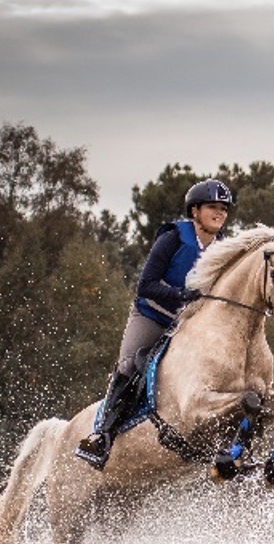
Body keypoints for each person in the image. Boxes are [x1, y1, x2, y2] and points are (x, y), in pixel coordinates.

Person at [75, 178, 234, 470]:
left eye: (224, 209)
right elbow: (146, 284)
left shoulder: (224, 247)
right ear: (195, 211)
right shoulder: (174, 237)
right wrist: (181, 295)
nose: (220, 213)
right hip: (154, 315)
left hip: (191, 325)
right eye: (213, 207)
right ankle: (102, 434)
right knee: (128, 365)